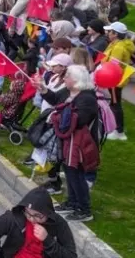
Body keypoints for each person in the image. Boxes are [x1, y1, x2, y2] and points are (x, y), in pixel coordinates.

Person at [34, 65, 99, 222]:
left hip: (80, 145)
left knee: (77, 176)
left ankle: (84, 210)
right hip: (67, 142)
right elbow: (55, 99)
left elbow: (76, 121)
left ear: (76, 80)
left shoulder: (87, 99)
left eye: (67, 76)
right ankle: (72, 202)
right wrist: (43, 89)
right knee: (70, 173)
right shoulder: (68, 92)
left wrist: (54, 116)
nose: (64, 78)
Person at [0, 186, 76, 258]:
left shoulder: (59, 223)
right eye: (28, 213)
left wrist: (48, 240)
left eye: (38, 215)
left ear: (48, 213)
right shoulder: (15, 217)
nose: (32, 219)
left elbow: (71, 255)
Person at [101, 21, 134, 141]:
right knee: (114, 104)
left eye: (110, 31)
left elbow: (113, 65)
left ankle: (119, 132)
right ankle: (114, 126)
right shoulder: (116, 44)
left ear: (115, 34)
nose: (107, 33)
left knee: (116, 105)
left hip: (115, 81)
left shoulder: (118, 47)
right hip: (114, 79)